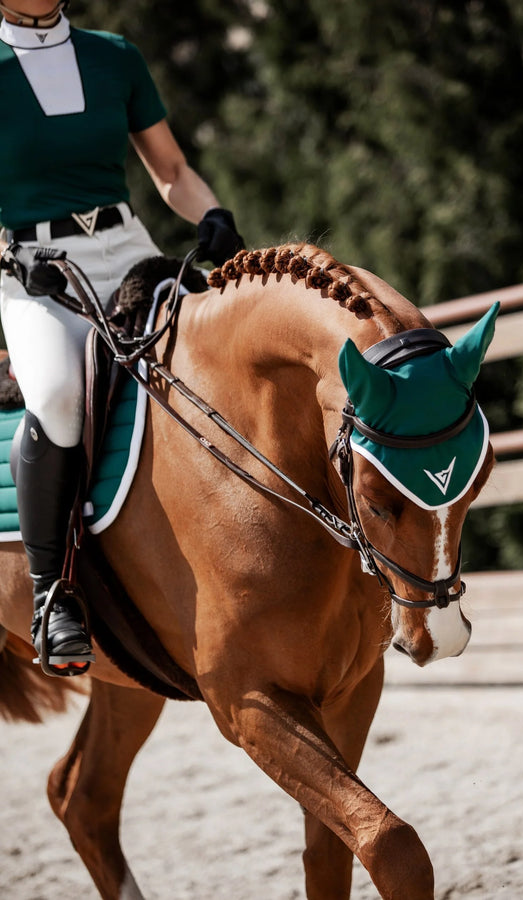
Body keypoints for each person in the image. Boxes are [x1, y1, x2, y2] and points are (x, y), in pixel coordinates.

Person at [0, 0, 244, 676]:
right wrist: (10, 258)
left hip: (126, 245)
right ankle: (53, 596)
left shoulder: (115, 56)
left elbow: (169, 170)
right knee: (54, 395)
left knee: (213, 359)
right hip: (33, 268)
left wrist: (213, 213)